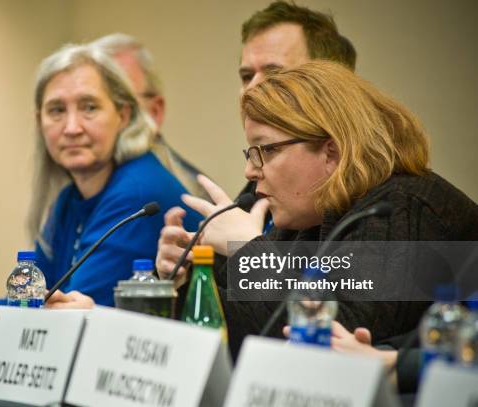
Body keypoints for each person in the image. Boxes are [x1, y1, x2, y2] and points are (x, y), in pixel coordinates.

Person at [159, 60, 478, 360]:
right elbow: (257, 332)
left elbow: (338, 339)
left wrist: (251, 251)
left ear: (332, 152)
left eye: (266, 150)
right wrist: (188, 280)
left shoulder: (397, 208)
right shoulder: (307, 209)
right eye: (250, 152)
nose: (250, 171)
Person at [0, 43, 201, 344]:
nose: (71, 127)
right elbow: (29, 299)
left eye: (89, 107)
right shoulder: (70, 198)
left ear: (123, 115)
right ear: (39, 121)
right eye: (56, 110)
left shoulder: (137, 193)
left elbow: (65, 323)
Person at [156, 0, 358, 274]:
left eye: (275, 74)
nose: (252, 90)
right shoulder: (263, 187)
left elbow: (333, 312)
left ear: (327, 81)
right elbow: (232, 309)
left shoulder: (387, 202)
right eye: (246, 75)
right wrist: (183, 277)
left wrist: (250, 250)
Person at [90, 33, 209, 200]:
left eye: (120, 98)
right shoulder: (76, 185)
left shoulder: (190, 191)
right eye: (90, 105)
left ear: (155, 111)